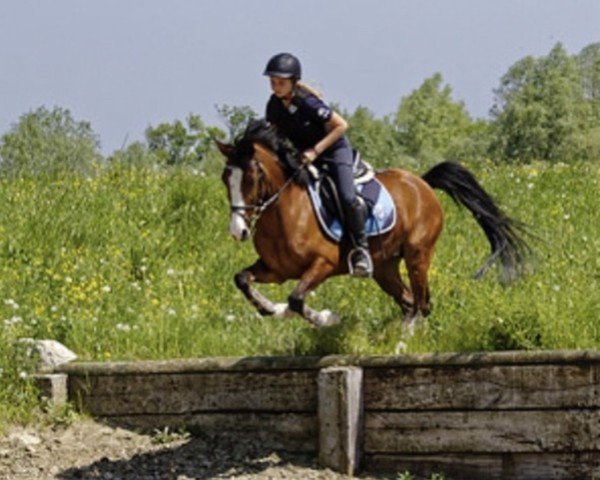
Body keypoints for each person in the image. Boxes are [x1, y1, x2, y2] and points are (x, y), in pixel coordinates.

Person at [263, 52, 373, 278]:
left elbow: (341, 125)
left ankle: (361, 250)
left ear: (293, 82)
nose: (275, 87)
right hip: (303, 155)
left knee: (346, 196)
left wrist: (316, 151)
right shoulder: (273, 106)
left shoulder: (308, 102)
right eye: (273, 82)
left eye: (281, 83)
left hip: (333, 151)